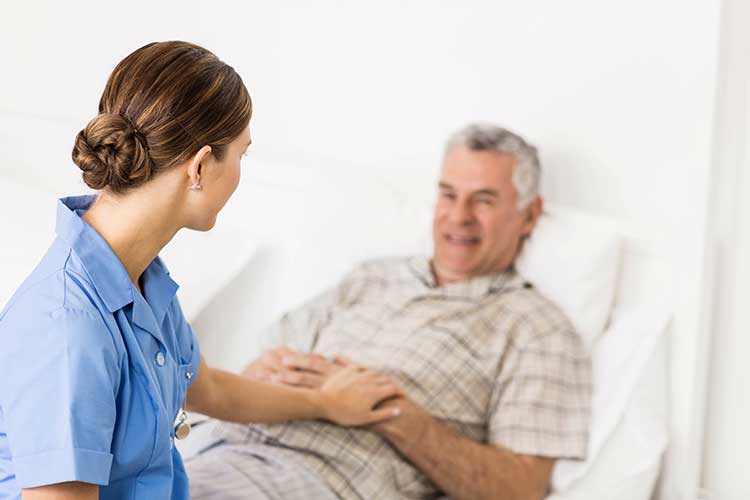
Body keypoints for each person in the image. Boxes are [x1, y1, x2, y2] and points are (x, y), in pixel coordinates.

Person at [0, 41, 403, 500]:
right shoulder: (68, 328)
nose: (239, 176)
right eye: (240, 156)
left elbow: (207, 388)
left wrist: (324, 403)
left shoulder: (142, 277)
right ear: (199, 166)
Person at [186, 124, 593, 500]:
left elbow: (520, 488)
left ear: (529, 214)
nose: (459, 215)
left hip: (318, 480)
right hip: (217, 450)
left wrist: (387, 410)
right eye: (448, 194)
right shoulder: (372, 277)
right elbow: (263, 364)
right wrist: (269, 371)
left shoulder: (535, 327)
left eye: (483, 200)